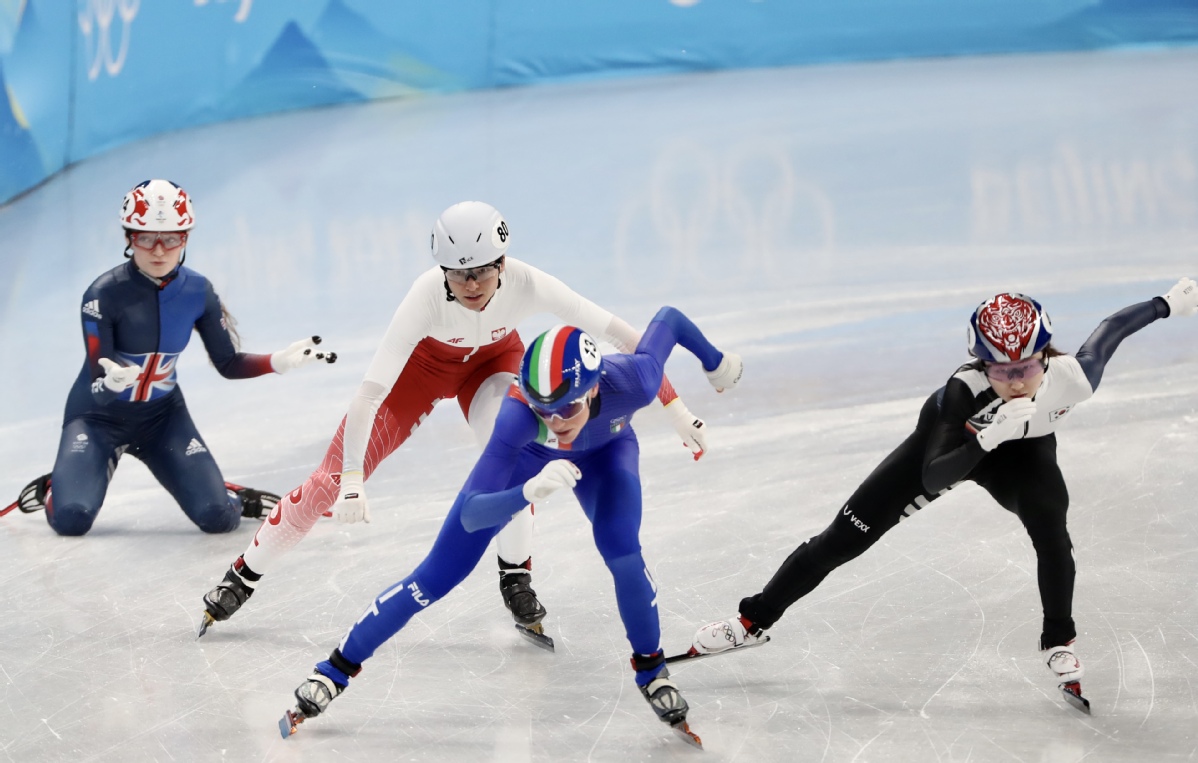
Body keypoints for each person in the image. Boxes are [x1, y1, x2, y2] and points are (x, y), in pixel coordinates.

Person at [199, 201, 709, 637]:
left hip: (492, 365)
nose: (470, 283)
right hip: (419, 374)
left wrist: (675, 405)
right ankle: (243, 576)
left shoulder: (528, 282)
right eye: (458, 273)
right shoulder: (424, 297)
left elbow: (627, 339)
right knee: (327, 482)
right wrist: (353, 478)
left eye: (483, 270)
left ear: (503, 263)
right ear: (442, 269)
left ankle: (516, 575)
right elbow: (369, 395)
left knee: (516, 460)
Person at [689, 279, 1197, 706]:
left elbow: (1112, 330)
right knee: (841, 540)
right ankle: (752, 619)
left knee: (1052, 530)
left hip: (1023, 455)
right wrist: (989, 433)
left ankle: (1058, 639)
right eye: (1002, 371)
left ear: (1045, 354)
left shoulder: (1074, 378)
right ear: (982, 364)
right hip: (946, 448)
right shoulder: (962, 390)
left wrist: (1167, 304)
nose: (1018, 382)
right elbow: (933, 477)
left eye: (1027, 367)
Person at [278, 309, 742, 745]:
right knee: (436, 576)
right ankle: (334, 669)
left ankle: (651, 669)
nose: (555, 423)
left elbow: (670, 321)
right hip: (529, 460)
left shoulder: (636, 380)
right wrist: (525, 494)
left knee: (623, 554)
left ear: (595, 389)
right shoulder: (519, 417)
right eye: (544, 410)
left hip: (608, 451)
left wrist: (715, 363)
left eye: (565, 410)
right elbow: (472, 515)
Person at [16, 179, 336, 537]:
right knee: (71, 519)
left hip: (162, 419)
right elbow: (98, 391)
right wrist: (110, 381)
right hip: (96, 419)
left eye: (171, 238)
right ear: (127, 238)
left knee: (218, 517)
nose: (158, 250)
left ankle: (232, 496)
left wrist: (275, 362)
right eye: (145, 237)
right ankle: (59, 485)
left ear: (185, 238)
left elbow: (228, 364)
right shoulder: (101, 295)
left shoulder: (199, 291)